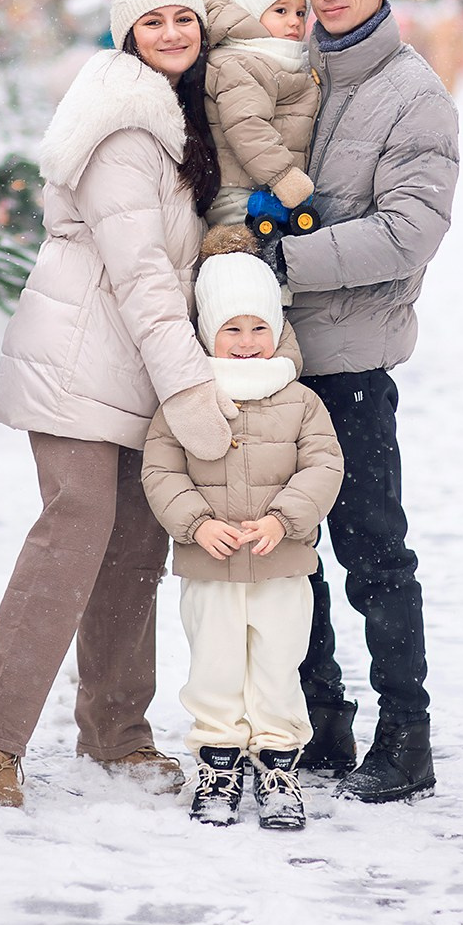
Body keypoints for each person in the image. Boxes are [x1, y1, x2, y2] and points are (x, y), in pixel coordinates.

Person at [0, 0, 236, 807]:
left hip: (129, 364)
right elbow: (142, 275)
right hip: (82, 360)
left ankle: (116, 731)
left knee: (136, 547)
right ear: (126, 34)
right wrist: (189, 386)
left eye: (184, 15)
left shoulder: (178, 111)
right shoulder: (124, 121)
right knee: (76, 532)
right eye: (153, 19)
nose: (173, 31)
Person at [257, 0, 460, 803]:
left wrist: (286, 260)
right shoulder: (303, 77)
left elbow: (410, 232)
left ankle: (406, 733)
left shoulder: (414, 94)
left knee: (372, 550)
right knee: (290, 551)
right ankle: (320, 721)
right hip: (278, 363)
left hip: (352, 365)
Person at [142, 247, 344, 830]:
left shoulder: (301, 401)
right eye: (232, 328)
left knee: (279, 664)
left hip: (281, 563)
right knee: (215, 665)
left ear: (278, 331)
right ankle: (218, 763)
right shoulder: (185, 400)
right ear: (208, 333)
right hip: (211, 565)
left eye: (260, 326)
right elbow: (161, 471)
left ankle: (279, 764)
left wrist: (283, 520)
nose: (248, 340)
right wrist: (197, 524)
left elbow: (323, 466)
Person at [202, 0, 321, 227]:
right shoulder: (237, 62)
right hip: (236, 192)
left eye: (300, 12)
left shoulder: (279, 59)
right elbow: (246, 124)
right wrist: (283, 176)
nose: (294, 20)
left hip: (266, 186)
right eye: (280, 10)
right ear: (249, 12)